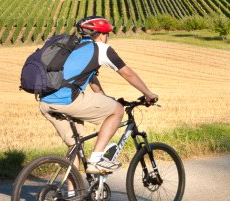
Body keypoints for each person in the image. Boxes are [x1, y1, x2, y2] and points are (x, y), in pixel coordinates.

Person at [39, 16, 158, 173]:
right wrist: (148, 94)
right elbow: (127, 73)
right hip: (66, 100)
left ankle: (72, 194)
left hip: (45, 101)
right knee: (117, 110)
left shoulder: (75, 47)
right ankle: (96, 160)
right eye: (108, 34)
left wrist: (103, 96)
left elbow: (90, 76)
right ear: (102, 34)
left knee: (75, 145)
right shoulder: (102, 49)